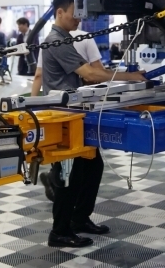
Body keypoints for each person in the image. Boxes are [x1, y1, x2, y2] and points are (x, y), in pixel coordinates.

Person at [42, 0, 145, 248]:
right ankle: (59, 231)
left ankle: (79, 218)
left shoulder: (65, 38)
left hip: (76, 113)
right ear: (60, 12)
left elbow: (88, 74)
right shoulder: (56, 40)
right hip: (63, 117)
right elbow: (89, 73)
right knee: (69, 174)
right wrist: (129, 77)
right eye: (74, 14)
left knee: (92, 166)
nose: (79, 19)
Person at [31, 28, 105, 202]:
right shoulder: (85, 37)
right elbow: (97, 71)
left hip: (55, 111)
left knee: (67, 161)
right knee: (84, 165)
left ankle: (55, 182)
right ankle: (69, 214)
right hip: (79, 110)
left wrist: (32, 107)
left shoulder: (48, 40)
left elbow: (39, 75)